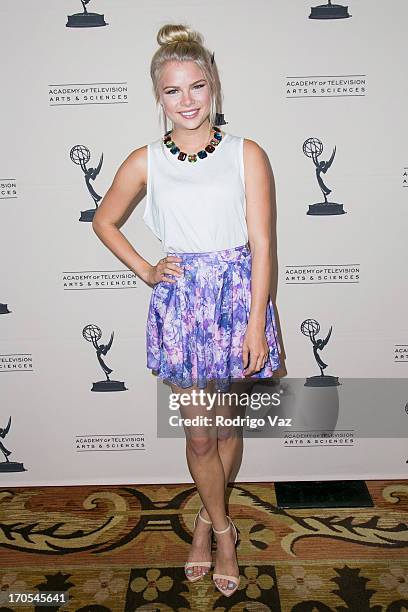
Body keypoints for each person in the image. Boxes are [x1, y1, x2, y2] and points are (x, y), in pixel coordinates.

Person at [92, 23, 282, 598]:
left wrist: (255, 323)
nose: (188, 101)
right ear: (159, 97)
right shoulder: (147, 159)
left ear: (214, 86)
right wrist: (148, 270)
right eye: (174, 91)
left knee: (225, 428)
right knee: (201, 438)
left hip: (236, 303)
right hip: (183, 309)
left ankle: (203, 516)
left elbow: (264, 246)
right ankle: (222, 532)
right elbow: (104, 220)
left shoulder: (246, 153)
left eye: (197, 86)